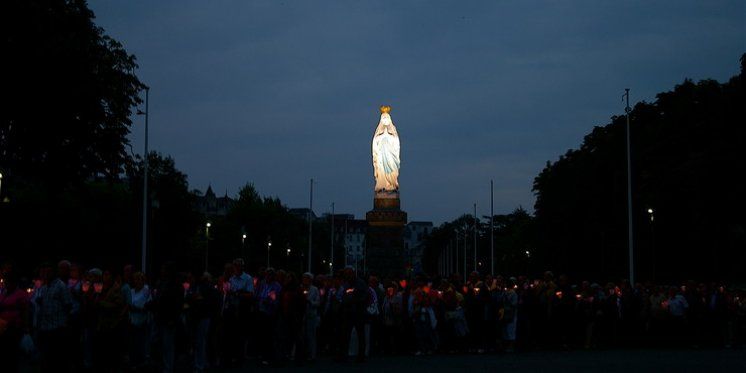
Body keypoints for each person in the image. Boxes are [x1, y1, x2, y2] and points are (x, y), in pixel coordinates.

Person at [35, 262, 73, 372]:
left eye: (49, 271)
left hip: (57, 328)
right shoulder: (45, 287)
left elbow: (68, 304)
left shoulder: (61, 285)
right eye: (45, 271)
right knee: (47, 358)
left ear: (54, 272)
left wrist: (64, 322)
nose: (46, 273)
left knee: (57, 359)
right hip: (45, 327)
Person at [0, 271, 30, 372]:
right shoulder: (3, 293)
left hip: (14, 327)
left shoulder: (21, 294)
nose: (6, 284)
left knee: (11, 353)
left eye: (8, 282)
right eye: (5, 282)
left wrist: (25, 327)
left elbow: (25, 311)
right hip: (3, 327)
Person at [337, 266, 368, 362]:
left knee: (360, 334)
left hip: (358, 312)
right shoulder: (346, 284)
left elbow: (365, 296)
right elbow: (343, 296)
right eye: (346, 273)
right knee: (345, 334)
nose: (347, 275)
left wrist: (355, 301)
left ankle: (361, 355)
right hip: (348, 312)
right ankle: (343, 354)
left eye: (349, 273)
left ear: (353, 273)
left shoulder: (361, 283)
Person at [128, 271, 151, 370]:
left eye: (139, 279)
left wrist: (137, 309)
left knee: (140, 343)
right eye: (135, 279)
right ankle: (133, 362)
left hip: (142, 321)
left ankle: (141, 363)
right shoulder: (131, 291)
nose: (137, 281)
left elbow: (148, 306)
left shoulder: (146, 291)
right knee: (132, 343)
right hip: (132, 321)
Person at [302, 272, 320, 361]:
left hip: (311, 314)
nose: (305, 280)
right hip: (302, 315)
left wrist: (310, 302)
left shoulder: (315, 289)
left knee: (311, 335)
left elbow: (318, 302)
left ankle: (312, 354)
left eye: (306, 278)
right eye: (304, 278)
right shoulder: (300, 288)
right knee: (302, 334)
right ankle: (302, 353)